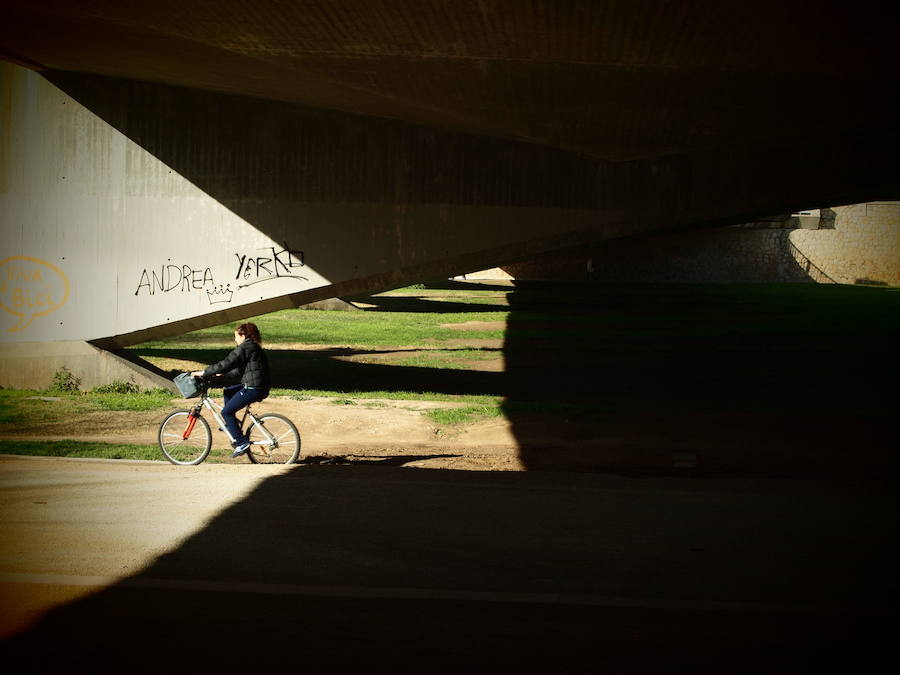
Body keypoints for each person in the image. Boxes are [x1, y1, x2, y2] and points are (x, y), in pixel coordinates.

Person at [191, 322, 270, 458]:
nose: (235, 340)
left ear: (243, 335)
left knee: (226, 412)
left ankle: (241, 443)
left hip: (253, 388)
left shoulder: (246, 347)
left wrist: (205, 372)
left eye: (236, 337)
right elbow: (239, 371)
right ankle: (233, 424)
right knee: (228, 391)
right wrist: (223, 374)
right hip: (257, 385)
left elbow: (227, 362)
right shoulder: (253, 347)